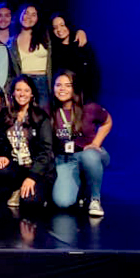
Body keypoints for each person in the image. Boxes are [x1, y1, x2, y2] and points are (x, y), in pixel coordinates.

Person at [50, 71, 111, 216]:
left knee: (89, 156)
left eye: (68, 85)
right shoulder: (49, 110)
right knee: (62, 202)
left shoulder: (89, 108)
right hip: (66, 160)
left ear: (75, 88)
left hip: (90, 154)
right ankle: (80, 185)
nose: (62, 89)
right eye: (58, 85)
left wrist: (96, 143)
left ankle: (95, 199)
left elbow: (107, 122)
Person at [0, 75, 56, 210]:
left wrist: (32, 177)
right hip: (16, 167)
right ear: (13, 93)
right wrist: (2, 155)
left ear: (32, 94)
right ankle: (15, 188)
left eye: (26, 90)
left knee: (30, 203)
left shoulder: (40, 117)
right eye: (18, 90)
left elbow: (45, 151)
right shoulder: (4, 115)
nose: (22, 94)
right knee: (0, 170)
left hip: (36, 170)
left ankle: (31, 191)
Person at [6, 5, 52, 109]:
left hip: (42, 82)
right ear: (20, 14)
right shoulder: (12, 42)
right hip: (23, 82)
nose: (29, 17)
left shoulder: (46, 36)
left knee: (43, 114)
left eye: (33, 14)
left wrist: (80, 33)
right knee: (24, 114)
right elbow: (9, 71)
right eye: (26, 13)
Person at [51, 13, 99, 101]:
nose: (59, 29)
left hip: (83, 95)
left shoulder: (82, 44)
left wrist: (92, 97)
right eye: (55, 27)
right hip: (62, 96)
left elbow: (93, 73)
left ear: (68, 24)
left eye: (62, 25)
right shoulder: (53, 49)